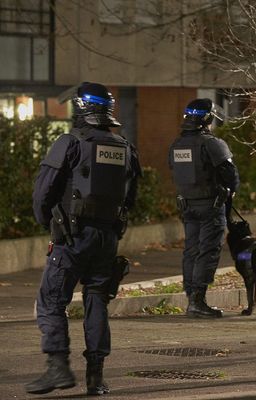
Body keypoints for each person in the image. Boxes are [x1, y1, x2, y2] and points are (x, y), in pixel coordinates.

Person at [25, 82, 141, 395]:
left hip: (72, 237)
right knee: (96, 303)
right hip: (106, 239)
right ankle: (95, 378)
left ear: (81, 107)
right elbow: (130, 198)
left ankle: (58, 367)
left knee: (51, 300)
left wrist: (49, 222)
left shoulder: (70, 141)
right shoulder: (125, 147)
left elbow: (42, 192)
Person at [168, 98, 239, 319]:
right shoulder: (212, 143)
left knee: (191, 250)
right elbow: (230, 173)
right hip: (210, 205)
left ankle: (191, 298)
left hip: (187, 206)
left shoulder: (176, 145)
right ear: (208, 119)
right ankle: (198, 301)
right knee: (207, 251)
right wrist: (231, 190)